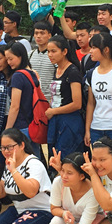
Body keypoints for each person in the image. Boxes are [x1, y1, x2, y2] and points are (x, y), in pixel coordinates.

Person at [45, 35, 85, 164]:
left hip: (69, 122)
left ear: (64, 51)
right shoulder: (56, 70)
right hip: (56, 120)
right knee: (54, 160)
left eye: (53, 51)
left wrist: (53, 111)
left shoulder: (72, 71)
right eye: (48, 51)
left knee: (67, 161)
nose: (50, 55)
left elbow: (77, 103)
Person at [3, 42, 43, 160]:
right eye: (7, 59)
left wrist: (7, 130)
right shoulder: (33, 73)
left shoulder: (17, 76)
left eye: (11, 59)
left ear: (20, 56)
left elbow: (15, 106)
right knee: (35, 159)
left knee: (22, 162)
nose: (8, 62)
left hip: (21, 126)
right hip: (33, 125)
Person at [28, 21, 56, 99]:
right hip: (32, 98)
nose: (38, 36)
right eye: (36, 33)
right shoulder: (30, 55)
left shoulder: (55, 56)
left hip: (49, 99)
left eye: (42, 33)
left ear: (49, 35)